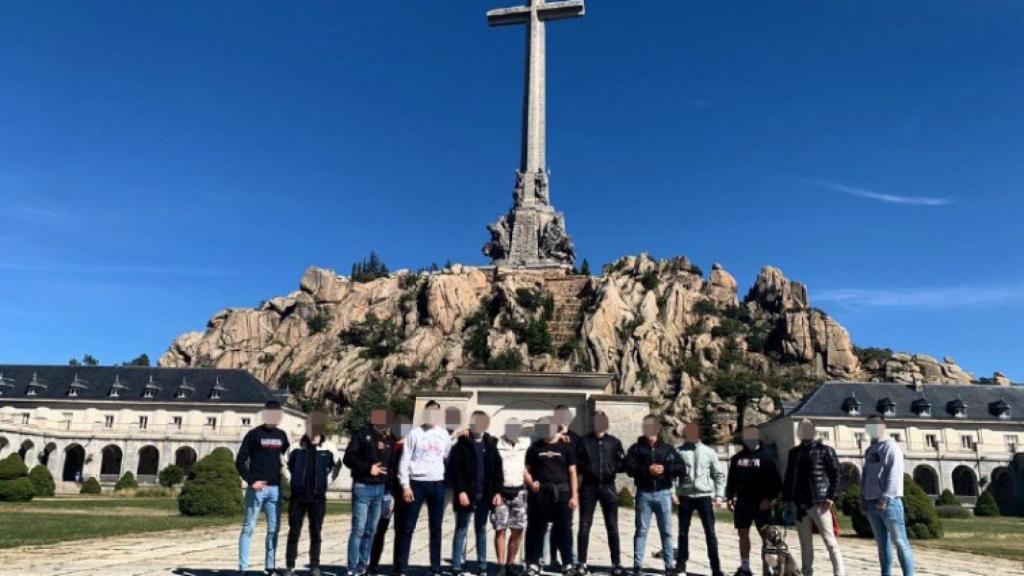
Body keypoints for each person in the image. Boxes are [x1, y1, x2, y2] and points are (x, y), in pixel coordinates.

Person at [395, 400, 453, 576]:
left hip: (437, 484)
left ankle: (435, 568)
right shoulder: (415, 434)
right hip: (416, 484)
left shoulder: (443, 435)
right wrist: (405, 486)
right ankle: (401, 569)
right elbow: (404, 461)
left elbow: (446, 456)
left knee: (436, 528)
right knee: (408, 527)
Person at [624, 414, 685, 576]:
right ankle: (637, 567)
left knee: (666, 532)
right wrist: (647, 470)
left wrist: (666, 469)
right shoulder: (636, 448)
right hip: (644, 495)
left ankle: (669, 567)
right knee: (641, 531)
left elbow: (681, 468)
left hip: (664, 494)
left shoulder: (667, 448)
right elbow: (628, 468)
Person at [783, 419, 845, 576]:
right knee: (805, 544)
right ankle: (807, 573)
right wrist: (786, 500)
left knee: (829, 541)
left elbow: (836, 474)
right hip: (799, 503)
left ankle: (839, 573)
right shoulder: (794, 453)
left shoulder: (825, 450)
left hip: (819, 501)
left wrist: (832, 495)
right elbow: (789, 477)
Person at [236, 399, 291, 575]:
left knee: (274, 529)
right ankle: (243, 568)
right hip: (257, 487)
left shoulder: (282, 436)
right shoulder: (253, 435)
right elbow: (240, 461)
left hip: (275, 489)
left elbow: (287, 461)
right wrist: (252, 481)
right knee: (248, 527)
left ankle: (270, 567)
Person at [284, 411, 339, 576]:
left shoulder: (329, 448)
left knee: (316, 532)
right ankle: (290, 566)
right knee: (294, 531)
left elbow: (337, 467)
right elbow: (284, 465)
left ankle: (315, 566)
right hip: (298, 497)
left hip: (317, 498)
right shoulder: (295, 448)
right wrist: (291, 480)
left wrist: (326, 482)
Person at [450, 411, 504, 576]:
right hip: (466, 494)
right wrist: (461, 491)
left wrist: (497, 492)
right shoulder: (462, 443)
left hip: (485, 495)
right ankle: (457, 566)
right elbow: (455, 470)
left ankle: (482, 566)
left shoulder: (490, 444)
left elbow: (497, 470)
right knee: (461, 529)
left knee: (481, 529)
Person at [524, 416, 579, 576]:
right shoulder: (534, 448)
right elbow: (526, 470)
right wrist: (530, 482)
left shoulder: (566, 447)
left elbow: (573, 473)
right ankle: (534, 563)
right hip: (540, 494)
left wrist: (574, 496)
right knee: (536, 528)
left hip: (562, 493)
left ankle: (568, 564)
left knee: (564, 530)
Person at [860, 415, 915, 576]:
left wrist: (885, 498)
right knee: (882, 545)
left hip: (888, 503)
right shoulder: (870, 450)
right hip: (871, 502)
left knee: (900, 542)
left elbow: (894, 474)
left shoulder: (891, 447)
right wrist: (862, 498)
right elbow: (865, 476)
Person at [345, 407, 397, 576]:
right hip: (363, 487)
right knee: (358, 529)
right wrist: (368, 468)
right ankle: (352, 568)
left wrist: (389, 493)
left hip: (381, 490)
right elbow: (349, 458)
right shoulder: (361, 435)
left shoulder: (390, 440)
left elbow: (391, 468)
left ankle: (363, 566)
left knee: (371, 531)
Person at [725, 426, 782, 576]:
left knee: (767, 536)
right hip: (743, 502)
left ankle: (768, 569)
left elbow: (776, 482)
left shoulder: (768, 457)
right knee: (743, 533)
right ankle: (745, 567)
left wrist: (769, 499)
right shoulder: (737, 459)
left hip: (762, 503)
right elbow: (732, 481)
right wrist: (729, 497)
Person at [575, 411, 625, 576]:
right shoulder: (584, 441)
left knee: (613, 527)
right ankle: (582, 563)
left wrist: (613, 468)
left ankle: (616, 563)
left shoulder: (614, 442)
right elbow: (576, 462)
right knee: (584, 526)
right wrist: (588, 469)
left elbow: (621, 462)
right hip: (589, 487)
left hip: (608, 487)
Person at [676, 422, 726, 576]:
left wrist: (719, 495)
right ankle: (681, 564)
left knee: (710, 533)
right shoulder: (679, 452)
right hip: (685, 496)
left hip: (704, 497)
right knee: (683, 532)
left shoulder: (709, 452)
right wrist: (673, 493)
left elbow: (718, 475)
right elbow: (673, 475)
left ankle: (716, 568)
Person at [369, 417, 411, 576]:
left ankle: (399, 567)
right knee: (379, 531)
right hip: (386, 492)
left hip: (402, 493)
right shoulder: (387, 445)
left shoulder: (408, 446)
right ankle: (373, 565)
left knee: (401, 531)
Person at [492, 418, 531, 576]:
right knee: (500, 529)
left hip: (519, 492)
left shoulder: (526, 443)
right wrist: (495, 492)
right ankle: (500, 565)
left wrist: (562, 434)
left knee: (518, 530)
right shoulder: (496, 445)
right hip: (501, 492)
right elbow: (491, 471)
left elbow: (546, 439)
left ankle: (510, 563)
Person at [549, 405, 582, 571]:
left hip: (567, 490)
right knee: (550, 525)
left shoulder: (576, 439)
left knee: (566, 525)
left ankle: (569, 560)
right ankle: (551, 558)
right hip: (549, 489)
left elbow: (579, 466)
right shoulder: (548, 436)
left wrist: (575, 493)